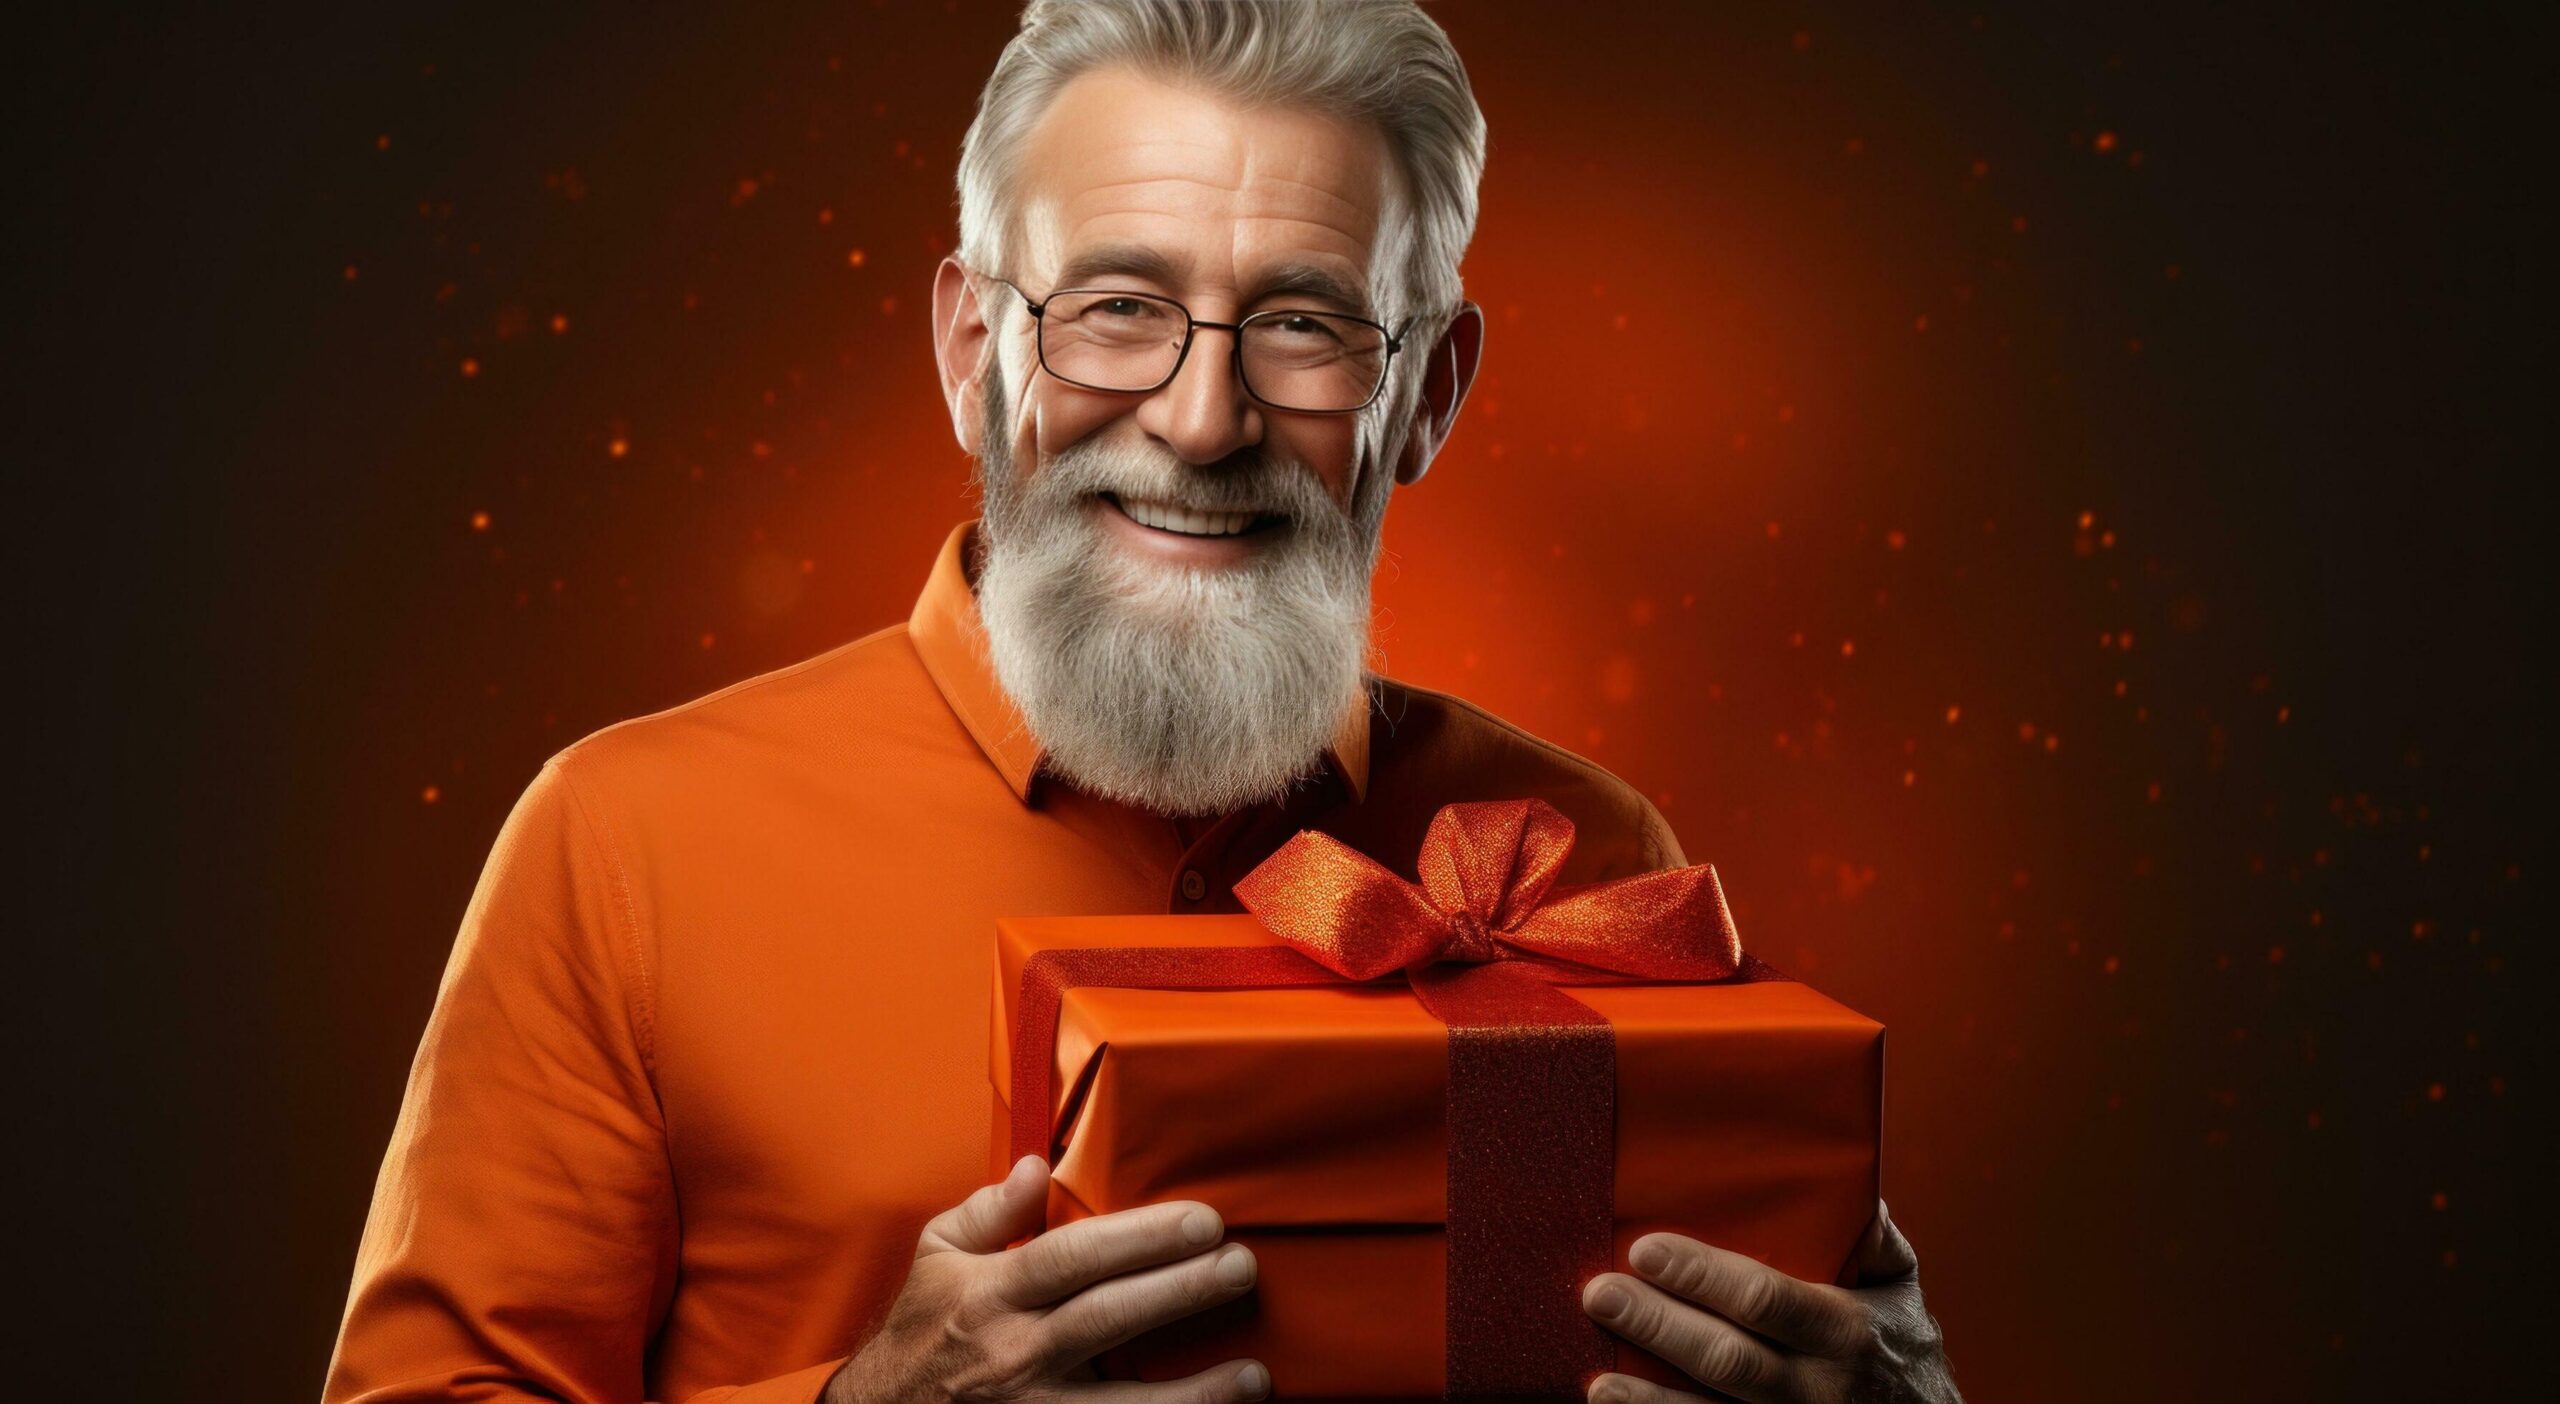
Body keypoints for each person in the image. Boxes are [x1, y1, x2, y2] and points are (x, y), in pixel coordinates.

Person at [320, 3, 1960, 1402]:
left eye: (1307, 326)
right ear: (974, 349)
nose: (1197, 417)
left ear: (1429, 396)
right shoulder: (626, 845)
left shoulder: (1583, 860)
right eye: (1117, 308)